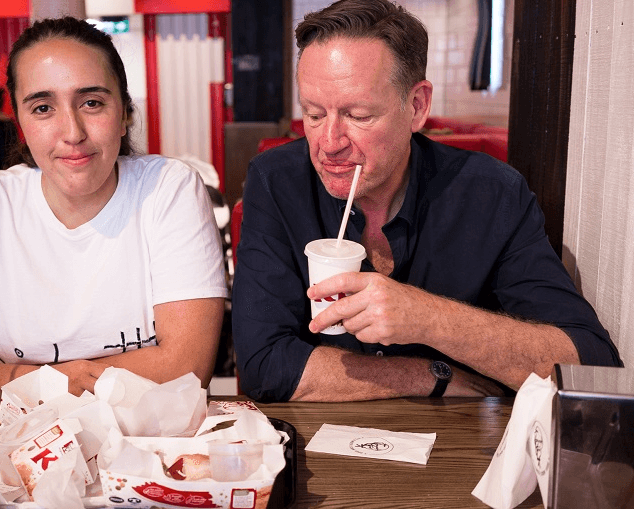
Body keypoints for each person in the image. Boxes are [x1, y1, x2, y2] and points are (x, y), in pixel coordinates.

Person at [231, 0, 622, 403]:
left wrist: (428, 318)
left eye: (359, 115)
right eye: (314, 114)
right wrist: (431, 376)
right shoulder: (276, 181)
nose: (328, 145)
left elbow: (590, 369)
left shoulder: (490, 194)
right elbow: (263, 366)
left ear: (416, 106)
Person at [0, 17, 227, 405]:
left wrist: (20, 383)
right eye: (43, 108)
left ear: (125, 114)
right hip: (19, 451)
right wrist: (58, 380)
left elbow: (186, 368)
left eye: (92, 103)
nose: (72, 132)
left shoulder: (167, 189)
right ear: (20, 122)